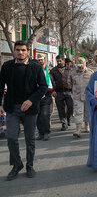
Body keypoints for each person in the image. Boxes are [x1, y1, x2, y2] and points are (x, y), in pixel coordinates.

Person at [0, 41, 47, 180]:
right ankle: (17, 164)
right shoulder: (7, 66)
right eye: (18, 50)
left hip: (30, 109)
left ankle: (30, 165)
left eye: (23, 50)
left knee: (30, 138)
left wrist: (31, 100)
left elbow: (43, 87)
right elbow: (0, 84)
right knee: (11, 137)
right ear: (14, 51)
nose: (20, 52)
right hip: (12, 107)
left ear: (28, 51)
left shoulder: (36, 67)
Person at [50, 55, 74, 131]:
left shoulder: (70, 69)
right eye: (57, 61)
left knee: (70, 106)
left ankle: (68, 117)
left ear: (64, 61)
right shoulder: (53, 70)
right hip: (58, 92)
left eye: (60, 61)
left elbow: (73, 80)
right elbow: (51, 82)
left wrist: (74, 90)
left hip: (69, 91)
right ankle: (63, 123)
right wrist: (53, 91)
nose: (59, 62)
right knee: (60, 108)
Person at [72, 57, 93, 137]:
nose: (80, 68)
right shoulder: (73, 72)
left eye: (82, 66)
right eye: (79, 66)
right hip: (77, 96)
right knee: (78, 112)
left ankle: (87, 125)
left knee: (87, 112)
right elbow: (69, 82)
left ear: (85, 65)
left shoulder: (90, 73)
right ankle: (78, 129)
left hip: (87, 96)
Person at [36, 54, 55, 141]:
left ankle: (46, 132)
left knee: (45, 115)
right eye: (38, 60)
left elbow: (51, 86)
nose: (40, 61)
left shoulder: (47, 72)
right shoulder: (34, 70)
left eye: (41, 60)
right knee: (38, 116)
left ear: (44, 60)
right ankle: (41, 133)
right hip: (36, 98)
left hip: (46, 97)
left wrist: (46, 91)